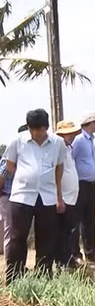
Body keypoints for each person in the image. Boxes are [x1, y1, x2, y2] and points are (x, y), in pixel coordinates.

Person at [3, 109, 66, 284]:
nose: (37, 133)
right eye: (34, 129)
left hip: (47, 196)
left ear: (46, 127)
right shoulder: (17, 141)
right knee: (17, 237)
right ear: (29, 128)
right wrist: (26, 176)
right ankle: (14, 277)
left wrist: (59, 197)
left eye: (41, 129)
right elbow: (10, 164)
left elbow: (59, 168)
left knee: (46, 237)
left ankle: (44, 276)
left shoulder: (57, 143)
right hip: (21, 196)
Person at [70, 112, 95, 264]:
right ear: (89, 123)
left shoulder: (90, 140)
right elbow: (70, 158)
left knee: (89, 220)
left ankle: (91, 252)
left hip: (90, 184)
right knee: (76, 221)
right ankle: (75, 254)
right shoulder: (79, 140)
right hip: (80, 184)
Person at [54, 121, 82, 268]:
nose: (70, 136)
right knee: (62, 232)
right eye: (68, 133)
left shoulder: (68, 148)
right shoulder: (56, 148)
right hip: (63, 197)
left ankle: (68, 259)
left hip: (71, 197)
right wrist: (59, 197)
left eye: (71, 133)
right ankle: (62, 262)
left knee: (69, 231)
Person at [0, 125, 28, 257]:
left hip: (21, 197)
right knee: (11, 231)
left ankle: (18, 264)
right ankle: (10, 265)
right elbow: (2, 175)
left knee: (19, 232)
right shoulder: (12, 154)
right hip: (8, 196)